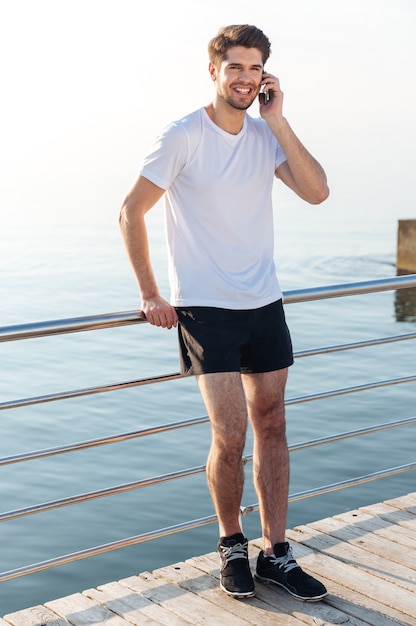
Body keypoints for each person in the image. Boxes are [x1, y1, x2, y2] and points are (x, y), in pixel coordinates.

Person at [119, 24, 329, 601]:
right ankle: (232, 545)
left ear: (265, 76)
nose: (245, 77)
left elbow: (317, 193)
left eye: (254, 67)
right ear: (213, 71)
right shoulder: (183, 134)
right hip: (206, 308)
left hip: (265, 301)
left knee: (274, 425)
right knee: (230, 434)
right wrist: (150, 294)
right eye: (235, 66)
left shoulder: (265, 136)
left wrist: (279, 119)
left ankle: (276, 552)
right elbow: (130, 213)